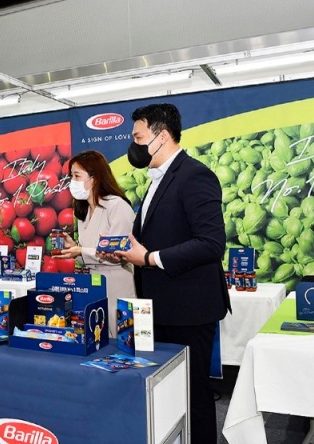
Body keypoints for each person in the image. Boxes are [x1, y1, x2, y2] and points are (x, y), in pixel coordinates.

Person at [113, 103, 230, 444]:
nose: (132, 145)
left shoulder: (195, 175)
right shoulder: (155, 181)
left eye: (138, 137)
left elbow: (211, 243)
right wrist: (129, 249)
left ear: (161, 136)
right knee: (166, 392)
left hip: (189, 310)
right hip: (158, 306)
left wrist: (148, 257)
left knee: (193, 395)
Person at [55, 149, 136, 338]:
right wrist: (75, 249)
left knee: (121, 339)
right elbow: (89, 256)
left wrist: (81, 250)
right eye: (71, 176)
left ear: (94, 178)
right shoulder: (83, 212)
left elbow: (118, 253)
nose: (72, 182)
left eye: (77, 176)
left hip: (117, 285)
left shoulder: (117, 206)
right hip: (94, 285)